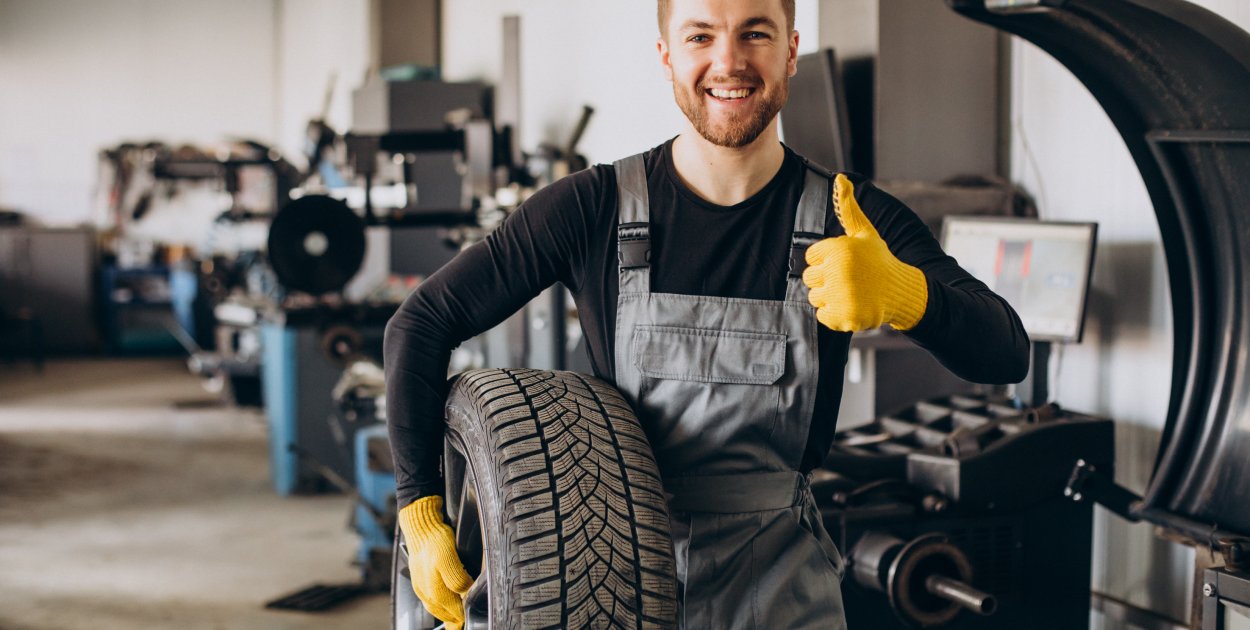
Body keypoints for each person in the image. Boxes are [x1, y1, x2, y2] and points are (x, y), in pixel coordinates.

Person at [383, 0, 1030, 627]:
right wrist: (419, 507)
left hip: (782, 593)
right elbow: (420, 323)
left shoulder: (849, 215)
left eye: (755, 33)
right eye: (700, 37)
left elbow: (1004, 351)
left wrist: (907, 295)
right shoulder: (592, 208)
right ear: (666, 55)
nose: (729, 61)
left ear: (791, 50)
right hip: (608, 590)